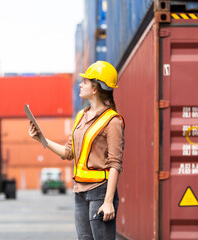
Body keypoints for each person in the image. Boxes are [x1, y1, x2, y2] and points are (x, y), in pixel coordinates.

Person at [29, 61, 125, 240]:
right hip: (80, 191)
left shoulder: (113, 121)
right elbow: (68, 152)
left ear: (95, 88)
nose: (80, 84)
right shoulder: (81, 116)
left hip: (100, 191)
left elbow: (115, 164)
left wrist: (108, 201)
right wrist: (42, 139)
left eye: (85, 82)